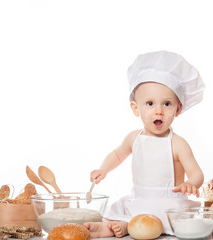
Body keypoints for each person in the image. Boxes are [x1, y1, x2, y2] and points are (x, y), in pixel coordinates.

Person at [84, 51, 205, 238]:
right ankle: (110, 228)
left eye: (166, 104)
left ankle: (127, 226)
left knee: (173, 219)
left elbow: (197, 173)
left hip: (169, 204)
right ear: (135, 108)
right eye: (150, 103)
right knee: (122, 210)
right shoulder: (134, 138)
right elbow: (117, 155)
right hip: (139, 200)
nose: (158, 111)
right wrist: (103, 169)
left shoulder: (178, 144)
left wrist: (191, 183)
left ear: (177, 109)